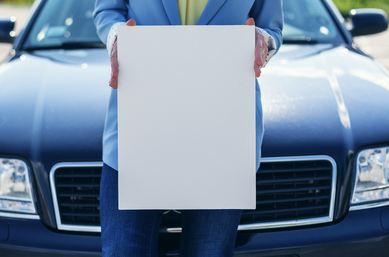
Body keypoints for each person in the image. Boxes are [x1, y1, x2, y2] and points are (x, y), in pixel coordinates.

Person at [93, 1, 283, 256]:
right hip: (137, 128)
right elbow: (107, 9)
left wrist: (263, 41)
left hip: (224, 132)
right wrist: (117, 37)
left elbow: (271, 27)